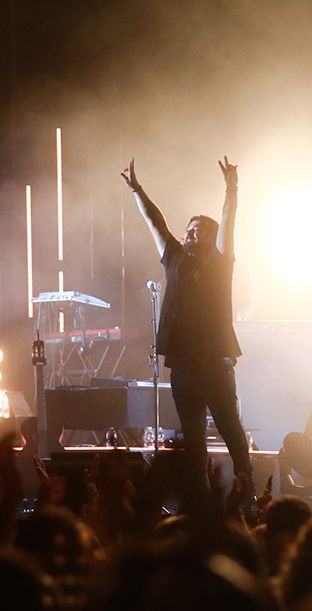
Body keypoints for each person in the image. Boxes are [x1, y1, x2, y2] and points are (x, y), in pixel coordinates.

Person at [120, 156, 253, 492]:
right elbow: (155, 222)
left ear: (212, 237)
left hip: (215, 362)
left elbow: (229, 220)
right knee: (193, 437)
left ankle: (247, 492)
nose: (193, 232)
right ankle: (199, 500)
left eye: (201, 230)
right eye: (190, 228)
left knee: (230, 430)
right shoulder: (174, 257)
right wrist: (137, 188)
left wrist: (231, 188)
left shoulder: (219, 260)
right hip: (182, 364)